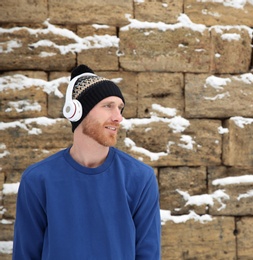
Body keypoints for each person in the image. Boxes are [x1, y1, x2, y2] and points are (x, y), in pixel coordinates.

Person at [12, 65, 161, 259]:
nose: (118, 117)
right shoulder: (38, 180)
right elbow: (25, 254)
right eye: (108, 106)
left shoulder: (140, 178)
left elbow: (148, 254)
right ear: (77, 111)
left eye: (120, 108)